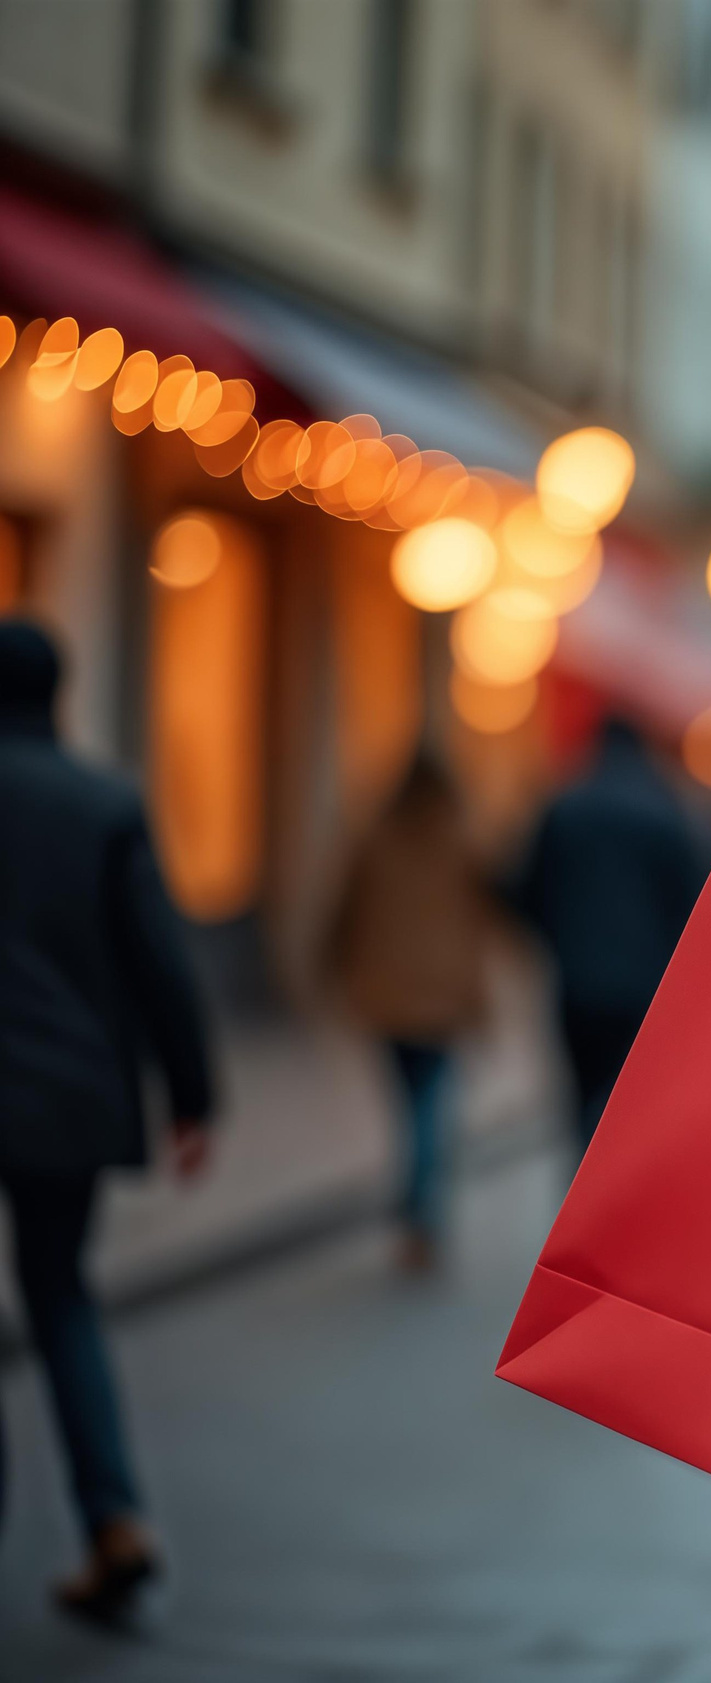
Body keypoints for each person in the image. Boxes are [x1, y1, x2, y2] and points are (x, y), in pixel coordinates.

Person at [0, 619, 214, 1624]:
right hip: (66, 1094)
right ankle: (112, 1515)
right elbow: (159, 962)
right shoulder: (104, 802)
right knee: (60, 1297)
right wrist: (194, 1094)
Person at [328, 757, 491, 1272]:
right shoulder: (460, 839)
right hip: (442, 995)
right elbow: (487, 911)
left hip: (389, 993)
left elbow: (344, 910)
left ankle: (417, 1200)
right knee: (430, 1102)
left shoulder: (376, 837)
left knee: (410, 1100)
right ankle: (422, 1206)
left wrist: (330, 966)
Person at [512, 718, 702, 1153]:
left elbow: (529, 890)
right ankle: (622, 1190)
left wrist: (559, 940)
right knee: (634, 1103)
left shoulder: (565, 806)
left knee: (582, 1101)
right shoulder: (662, 810)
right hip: (646, 987)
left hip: (578, 985)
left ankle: (583, 1192)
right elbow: (691, 900)